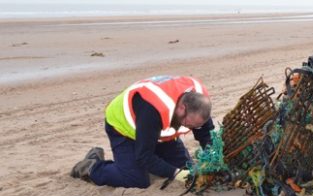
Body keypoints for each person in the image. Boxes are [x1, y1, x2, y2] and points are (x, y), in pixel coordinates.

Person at [70, 75, 215, 188]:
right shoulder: (153, 110)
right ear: (182, 108)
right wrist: (175, 173)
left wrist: (212, 155)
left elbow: (205, 132)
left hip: (156, 132)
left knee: (186, 167)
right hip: (123, 129)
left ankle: (160, 154)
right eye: (188, 124)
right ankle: (91, 166)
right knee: (136, 180)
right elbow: (144, 156)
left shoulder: (198, 102)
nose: (189, 127)